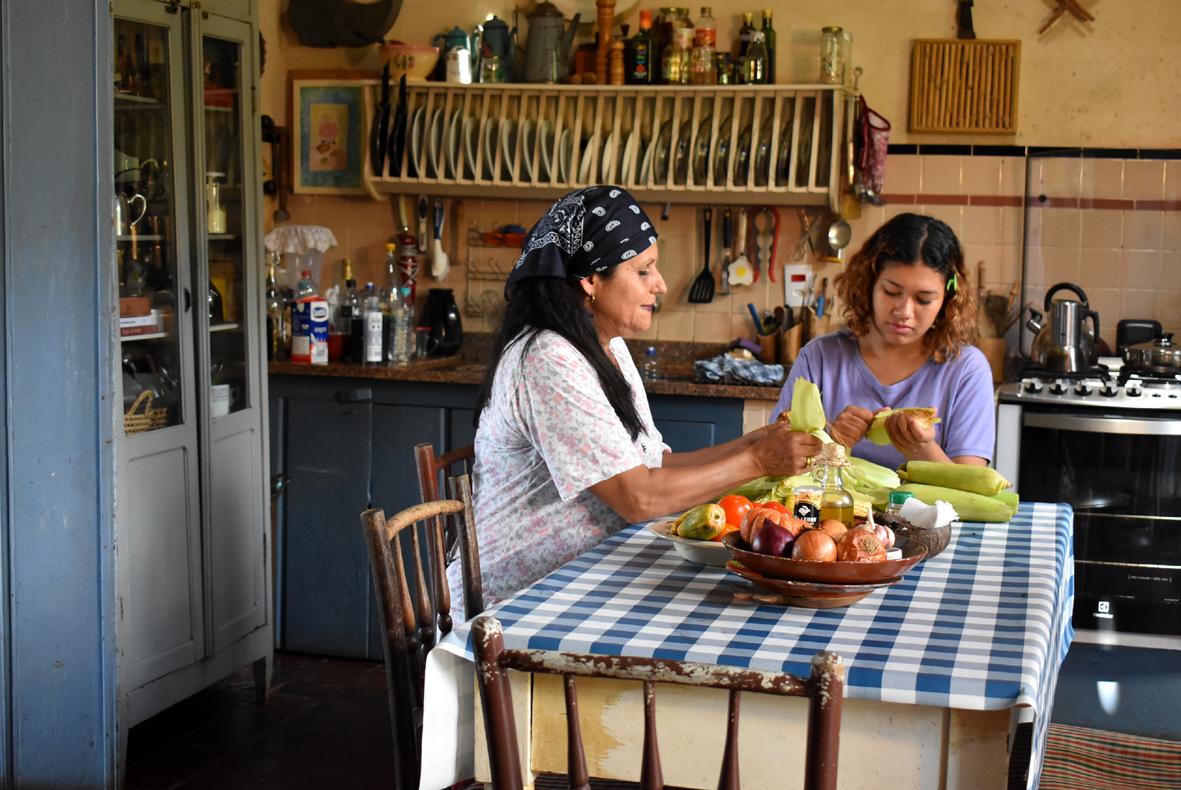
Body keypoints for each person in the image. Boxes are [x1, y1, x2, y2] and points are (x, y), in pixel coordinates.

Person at [465, 186, 820, 609]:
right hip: (516, 601)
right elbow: (639, 498)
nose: (662, 284)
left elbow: (652, 466)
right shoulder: (548, 358)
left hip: (584, 579)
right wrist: (760, 461)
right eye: (644, 270)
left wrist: (755, 443)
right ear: (591, 280)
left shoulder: (607, 345)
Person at [770, 212, 994, 470]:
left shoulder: (967, 369)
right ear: (869, 282)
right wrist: (833, 444)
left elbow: (972, 489)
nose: (904, 312)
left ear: (947, 299)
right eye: (891, 292)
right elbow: (775, 458)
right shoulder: (819, 357)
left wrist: (920, 448)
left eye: (924, 299)